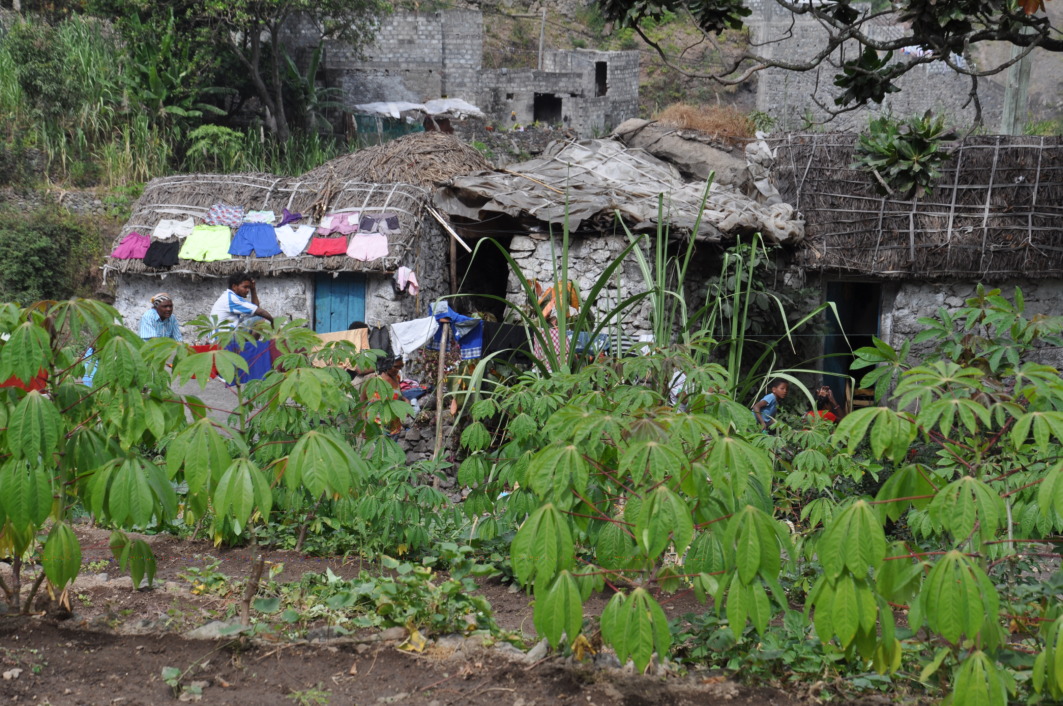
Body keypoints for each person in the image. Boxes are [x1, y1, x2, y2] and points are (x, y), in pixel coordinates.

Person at [210, 273, 274, 333]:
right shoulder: (232, 299)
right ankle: (252, 345)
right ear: (234, 286)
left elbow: (255, 308)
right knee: (259, 319)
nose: (247, 290)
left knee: (254, 316)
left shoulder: (228, 295)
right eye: (245, 287)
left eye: (248, 287)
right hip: (223, 339)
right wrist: (273, 321)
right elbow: (260, 312)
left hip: (222, 336)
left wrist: (253, 289)